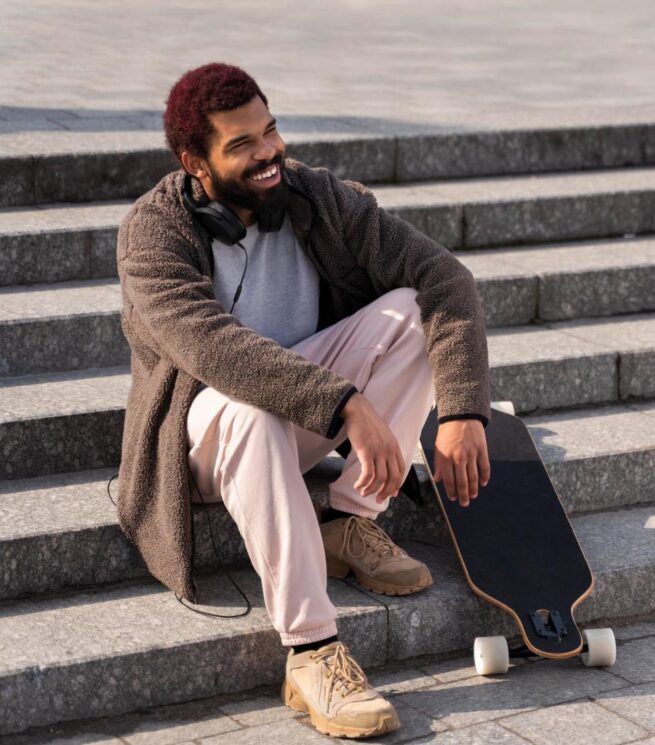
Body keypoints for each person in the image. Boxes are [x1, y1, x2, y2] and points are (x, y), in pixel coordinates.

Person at [115, 61, 492, 739]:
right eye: (242, 145)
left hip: (308, 416)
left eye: (271, 131)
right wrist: (348, 404)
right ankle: (312, 648)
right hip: (208, 436)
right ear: (193, 162)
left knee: (409, 311)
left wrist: (462, 408)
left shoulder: (317, 197)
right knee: (250, 405)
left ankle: (347, 518)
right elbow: (215, 352)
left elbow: (445, 277)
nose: (268, 153)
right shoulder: (153, 233)